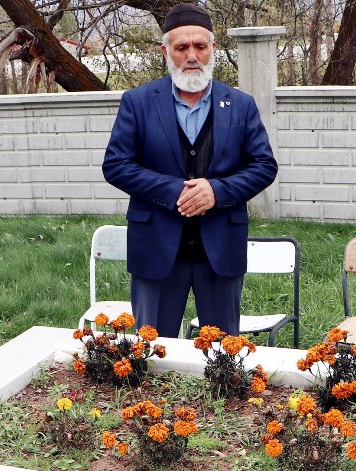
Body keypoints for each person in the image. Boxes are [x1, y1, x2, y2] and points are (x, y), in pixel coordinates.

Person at [102, 3, 277, 338]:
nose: (192, 55)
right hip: (156, 246)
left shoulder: (240, 104)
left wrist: (216, 191)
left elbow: (263, 165)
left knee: (223, 354)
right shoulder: (138, 102)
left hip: (221, 248)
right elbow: (116, 165)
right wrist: (174, 192)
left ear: (213, 48)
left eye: (200, 45)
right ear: (166, 51)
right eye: (182, 47)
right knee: (152, 353)